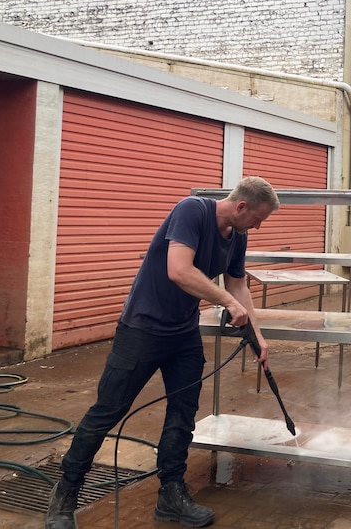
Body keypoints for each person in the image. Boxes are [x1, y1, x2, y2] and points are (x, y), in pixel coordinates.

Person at [46, 176, 280, 529]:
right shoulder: (192, 211)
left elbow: (237, 284)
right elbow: (179, 270)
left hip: (182, 334)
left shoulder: (239, 236)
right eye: (258, 218)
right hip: (141, 329)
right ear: (241, 206)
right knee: (107, 412)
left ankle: (171, 495)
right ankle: (65, 495)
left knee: (182, 414)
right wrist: (228, 303)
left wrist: (256, 336)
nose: (258, 227)